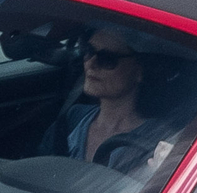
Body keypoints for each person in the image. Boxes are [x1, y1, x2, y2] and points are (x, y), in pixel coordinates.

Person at [44, 27, 180, 176]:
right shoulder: (73, 118)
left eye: (107, 58)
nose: (91, 64)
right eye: (88, 51)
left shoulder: (162, 143)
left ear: (140, 70)